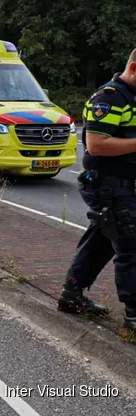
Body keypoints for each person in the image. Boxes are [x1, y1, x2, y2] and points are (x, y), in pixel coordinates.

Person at [58, 49, 136, 333]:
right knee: (131, 243)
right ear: (134, 67)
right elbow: (97, 144)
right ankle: (133, 315)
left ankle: (72, 295)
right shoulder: (109, 98)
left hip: (125, 182)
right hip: (106, 182)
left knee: (103, 238)